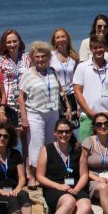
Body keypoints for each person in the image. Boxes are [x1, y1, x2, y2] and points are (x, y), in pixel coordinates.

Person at [19, 42, 71, 188]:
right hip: (36, 114)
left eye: (43, 56)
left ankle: (47, 175)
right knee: (36, 145)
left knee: (51, 145)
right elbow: (21, 98)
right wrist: (24, 118)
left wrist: (68, 106)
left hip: (53, 113)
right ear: (32, 58)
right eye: (37, 57)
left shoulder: (52, 71)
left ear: (48, 57)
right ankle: (32, 177)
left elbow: (61, 91)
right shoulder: (28, 74)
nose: (40, 59)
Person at [36, 118, 91, 214]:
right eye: (60, 132)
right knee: (69, 201)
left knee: (85, 207)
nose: (64, 135)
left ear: (71, 133)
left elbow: (84, 175)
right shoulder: (47, 149)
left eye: (67, 132)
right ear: (55, 133)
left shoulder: (78, 150)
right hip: (54, 188)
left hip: (75, 187)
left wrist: (77, 189)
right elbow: (40, 176)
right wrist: (59, 186)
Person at [73, 34, 108, 141]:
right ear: (91, 49)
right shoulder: (82, 67)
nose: (98, 50)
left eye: (100, 47)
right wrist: (89, 111)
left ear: (105, 48)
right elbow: (77, 92)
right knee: (85, 147)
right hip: (87, 117)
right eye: (95, 48)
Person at [0, 29, 31, 147]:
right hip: (9, 104)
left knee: (27, 137)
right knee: (9, 138)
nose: (12, 44)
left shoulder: (28, 58)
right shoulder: (0, 61)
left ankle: (27, 159)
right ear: (4, 44)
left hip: (26, 101)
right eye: (9, 42)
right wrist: (2, 109)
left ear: (19, 42)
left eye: (14, 41)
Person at [50, 28, 80, 128]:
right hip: (57, 95)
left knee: (72, 126)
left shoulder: (74, 57)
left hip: (71, 95)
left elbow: (77, 79)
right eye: (58, 37)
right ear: (54, 41)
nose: (61, 39)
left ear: (67, 39)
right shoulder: (50, 56)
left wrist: (79, 103)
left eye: (63, 36)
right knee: (59, 126)